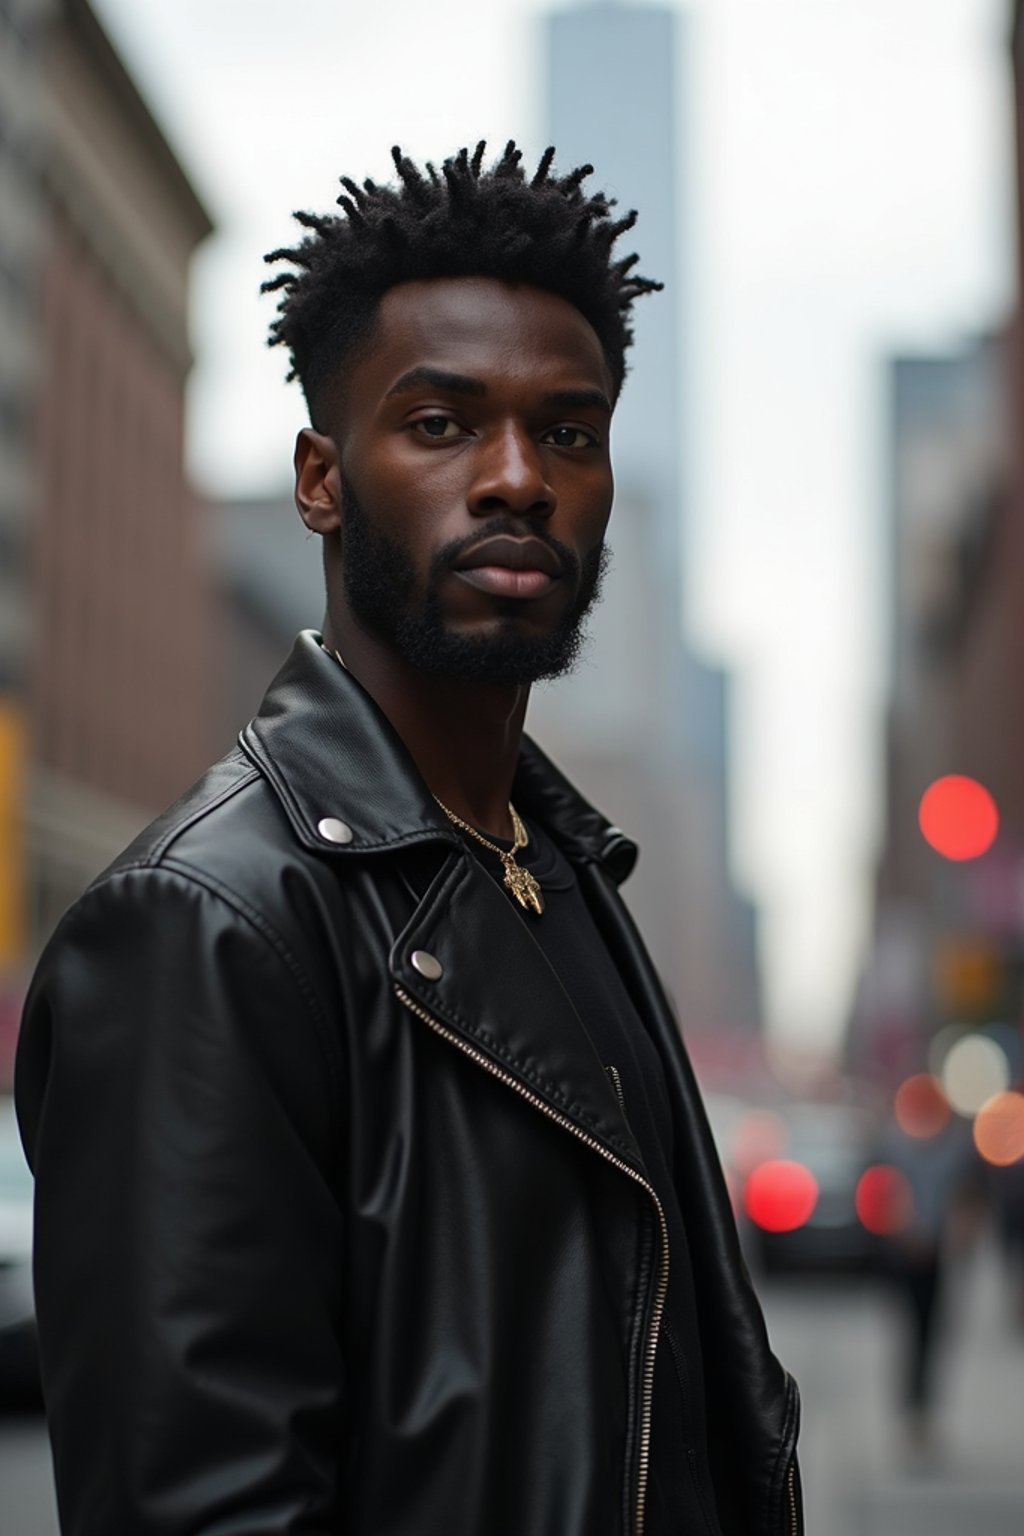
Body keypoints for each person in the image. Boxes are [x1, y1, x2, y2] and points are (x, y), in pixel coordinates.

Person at [16, 142, 802, 1536]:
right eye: (442, 424)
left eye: (568, 432)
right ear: (322, 478)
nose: (518, 479)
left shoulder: (564, 875)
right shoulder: (206, 925)